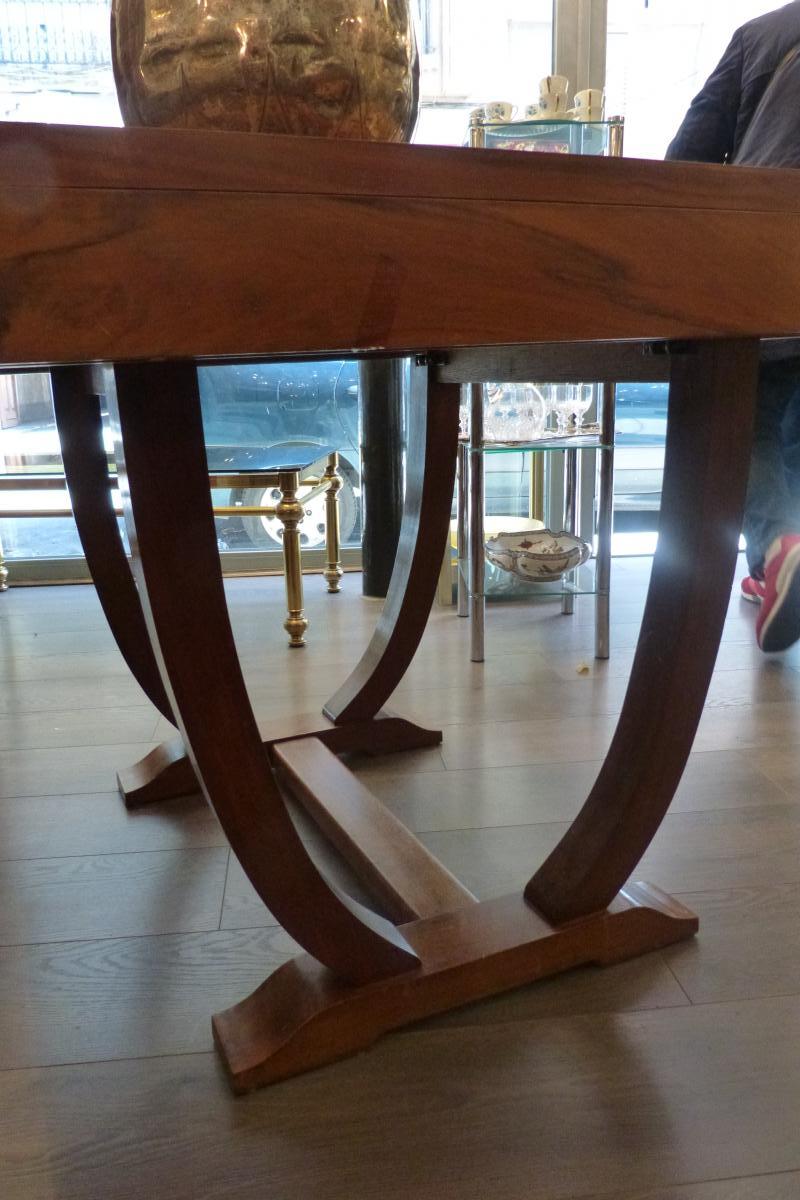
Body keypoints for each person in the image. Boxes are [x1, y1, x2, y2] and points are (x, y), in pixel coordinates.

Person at [666, 1, 800, 652]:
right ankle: (773, 570)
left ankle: (779, 550)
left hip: (773, 249)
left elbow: (686, 160)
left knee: (747, 417)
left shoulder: (762, 36)